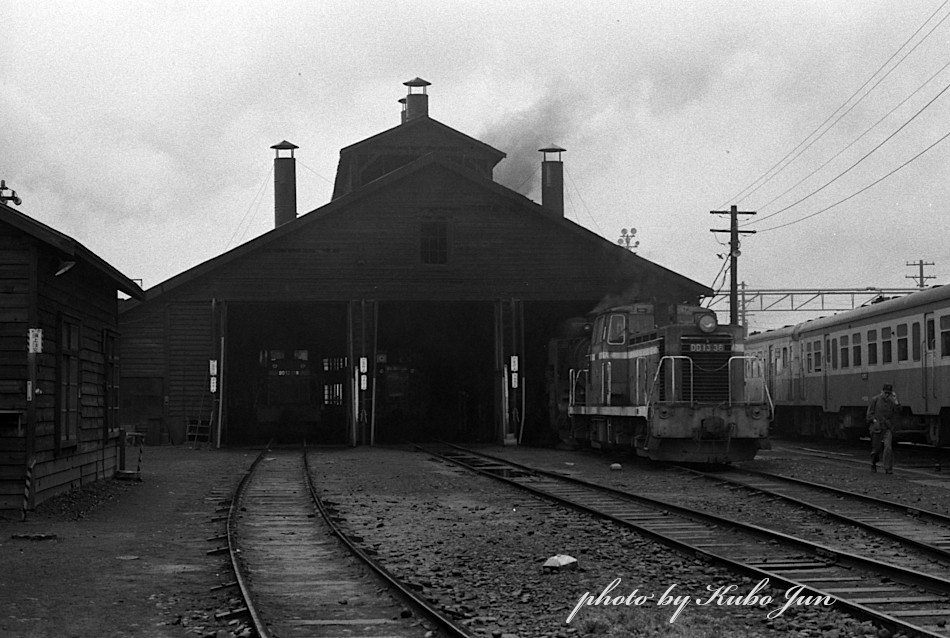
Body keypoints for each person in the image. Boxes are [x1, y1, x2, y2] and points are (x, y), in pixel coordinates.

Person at [867, 383, 899, 474]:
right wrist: (874, 421)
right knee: (876, 449)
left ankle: (888, 467)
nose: (887, 395)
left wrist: (896, 400)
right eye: (886, 393)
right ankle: (873, 463)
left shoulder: (891, 402)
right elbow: (869, 414)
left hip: (887, 427)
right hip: (876, 428)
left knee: (888, 447)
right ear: (882, 392)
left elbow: (898, 411)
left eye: (889, 393)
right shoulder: (875, 400)